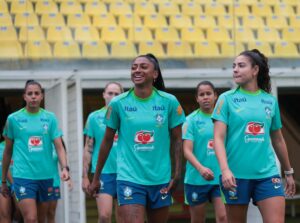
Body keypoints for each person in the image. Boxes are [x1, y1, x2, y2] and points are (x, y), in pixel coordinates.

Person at [88, 53, 185, 223]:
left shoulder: (169, 102)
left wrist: (177, 174)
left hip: (160, 178)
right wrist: (96, 178)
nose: (137, 70)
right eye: (134, 67)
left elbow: (178, 140)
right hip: (129, 178)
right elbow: (106, 141)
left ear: (155, 74)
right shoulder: (118, 103)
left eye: (143, 67)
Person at [212, 49, 296, 223]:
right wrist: (225, 170)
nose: (235, 69)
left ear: (255, 70)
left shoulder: (269, 101)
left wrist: (288, 172)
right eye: (234, 66)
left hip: (267, 174)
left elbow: (278, 139)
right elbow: (218, 138)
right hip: (235, 176)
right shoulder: (225, 99)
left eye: (241, 66)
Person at [1, 80, 70, 223]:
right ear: (24, 96)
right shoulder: (13, 119)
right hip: (23, 176)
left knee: (40, 219)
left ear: (42, 96)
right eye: (30, 93)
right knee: (30, 218)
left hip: (46, 176)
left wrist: (64, 167)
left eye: (36, 93)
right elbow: (7, 152)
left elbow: (59, 146)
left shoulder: (50, 118)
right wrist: (3, 180)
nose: (33, 96)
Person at [183, 81, 227, 223]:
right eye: (201, 94)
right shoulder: (190, 120)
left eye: (209, 93)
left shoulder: (225, 118)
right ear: (197, 98)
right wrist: (201, 169)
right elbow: (186, 151)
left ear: (216, 96)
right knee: (198, 219)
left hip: (221, 177)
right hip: (196, 178)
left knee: (223, 217)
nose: (205, 97)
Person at [82, 82, 124, 223]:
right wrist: (85, 177)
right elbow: (88, 148)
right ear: (103, 95)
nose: (112, 96)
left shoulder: (127, 117)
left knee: (123, 219)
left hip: (125, 173)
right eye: (110, 93)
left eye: (116, 94)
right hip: (103, 173)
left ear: (122, 96)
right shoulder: (94, 117)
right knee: (104, 216)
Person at [46, 139, 73, 223]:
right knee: (38, 215)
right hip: (38, 181)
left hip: (54, 182)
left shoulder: (58, 140)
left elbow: (64, 160)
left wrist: (69, 178)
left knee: (51, 212)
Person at [0, 139, 13, 223]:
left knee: (21, 214)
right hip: (3, 183)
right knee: (5, 214)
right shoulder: (1, 146)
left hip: (22, 183)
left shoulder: (22, 144)